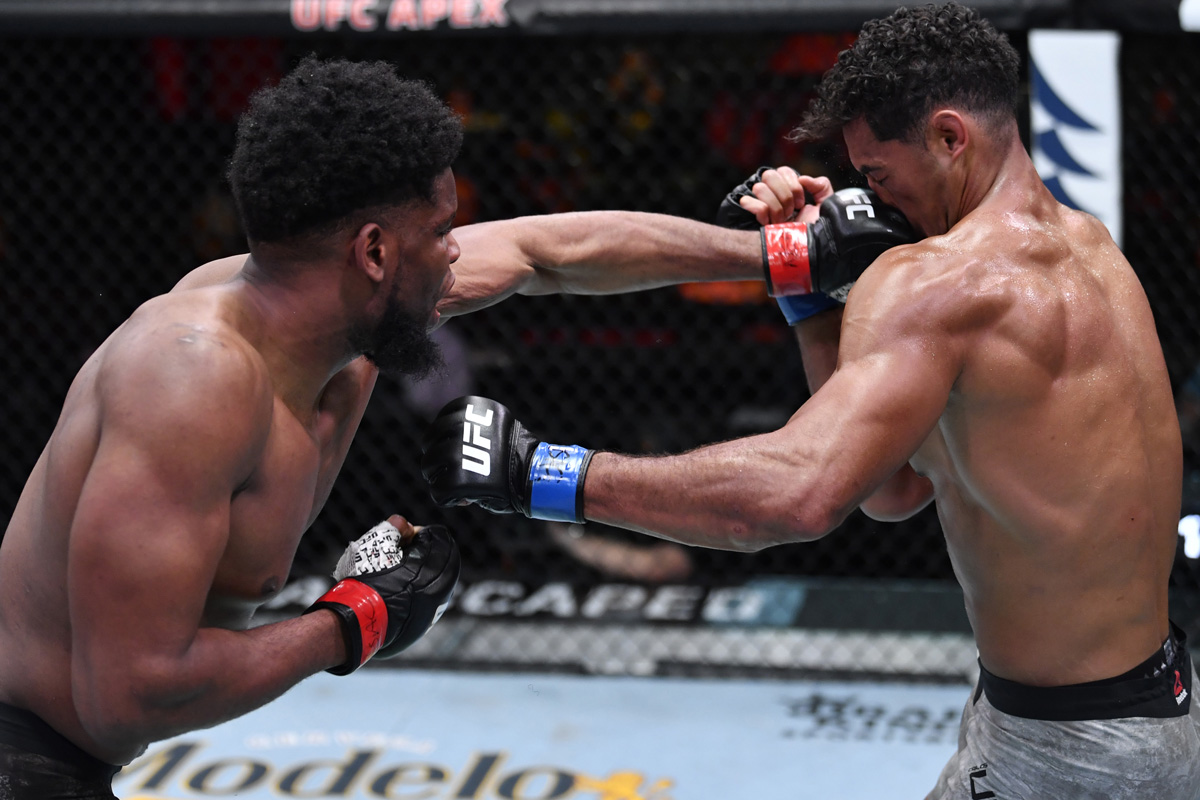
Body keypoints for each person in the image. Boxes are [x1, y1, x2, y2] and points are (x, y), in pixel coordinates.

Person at [421, 4, 1200, 797]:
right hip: (1150, 707)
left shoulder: (937, 283)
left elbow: (796, 496)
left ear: (949, 137)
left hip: (1065, 748)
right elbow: (891, 490)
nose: (876, 199)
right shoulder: (1092, 250)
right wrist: (811, 299)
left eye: (879, 175)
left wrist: (540, 473)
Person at [0, 57, 466, 798]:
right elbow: (128, 696)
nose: (460, 252)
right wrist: (357, 617)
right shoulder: (196, 377)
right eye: (443, 231)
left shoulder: (319, 326)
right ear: (375, 253)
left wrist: (691, 246)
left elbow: (545, 254)